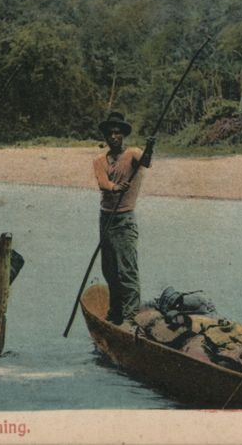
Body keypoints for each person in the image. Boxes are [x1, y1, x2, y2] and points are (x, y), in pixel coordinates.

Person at [93, 112, 154, 325]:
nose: (113, 137)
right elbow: (102, 183)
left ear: (123, 136)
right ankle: (116, 312)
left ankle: (130, 319)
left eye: (117, 133)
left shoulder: (133, 154)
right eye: (110, 133)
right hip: (105, 219)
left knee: (127, 271)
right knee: (109, 270)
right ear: (106, 137)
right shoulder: (100, 160)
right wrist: (115, 187)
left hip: (124, 220)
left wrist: (150, 147)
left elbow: (147, 162)